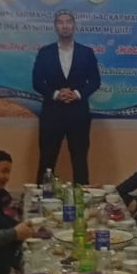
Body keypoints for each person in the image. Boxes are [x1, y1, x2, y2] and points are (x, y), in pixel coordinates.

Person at [32, 10, 101, 184]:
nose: (64, 26)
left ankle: (82, 196)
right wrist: (56, 94)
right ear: (55, 26)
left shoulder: (86, 52)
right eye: (60, 22)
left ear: (74, 25)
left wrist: (77, 94)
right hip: (52, 113)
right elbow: (37, 82)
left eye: (68, 22)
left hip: (78, 114)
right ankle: (43, 196)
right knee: (47, 159)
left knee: (80, 160)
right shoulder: (45, 52)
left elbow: (95, 81)